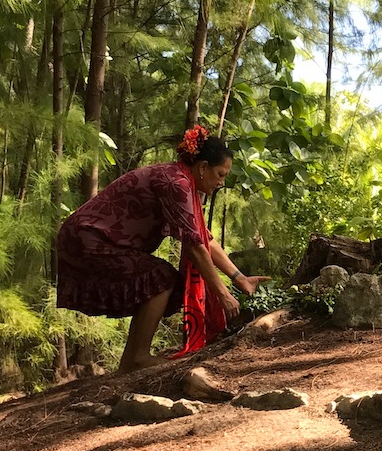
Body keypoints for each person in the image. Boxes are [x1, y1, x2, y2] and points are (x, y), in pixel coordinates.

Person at [56, 125, 269, 372]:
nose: (221, 182)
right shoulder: (176, 183)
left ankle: (132, 359)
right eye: (220, 174)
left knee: (160, 277)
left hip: (94, 238)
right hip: (88, 238)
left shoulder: (181, 180)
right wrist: (222, 294)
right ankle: (138, 358)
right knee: (160, 277)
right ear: (202, 168)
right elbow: (195, 247)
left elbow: (204, 239)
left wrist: (239, 278)